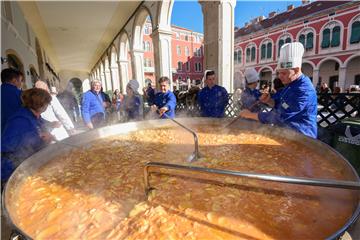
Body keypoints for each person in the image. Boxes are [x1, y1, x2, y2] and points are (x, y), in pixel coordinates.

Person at [239, 42, 317, 139]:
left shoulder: (304, 90)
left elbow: (279, 117)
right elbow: (280, 105)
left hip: (302, 136)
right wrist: (268, 100)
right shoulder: (289, 85)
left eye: (284, 73)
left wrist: (250, 115)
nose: (280, 76)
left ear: (296, 70)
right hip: (286, 134)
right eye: (278, 73)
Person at [1, 88, 53, 182]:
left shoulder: (35, 115)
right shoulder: (20, 120)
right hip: (11, 170)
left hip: (28, 164)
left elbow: (40, 129)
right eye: (47, 103)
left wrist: (46, 135)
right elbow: (8, 146)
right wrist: (40, 138)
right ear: (40, 103)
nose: (48, 106)